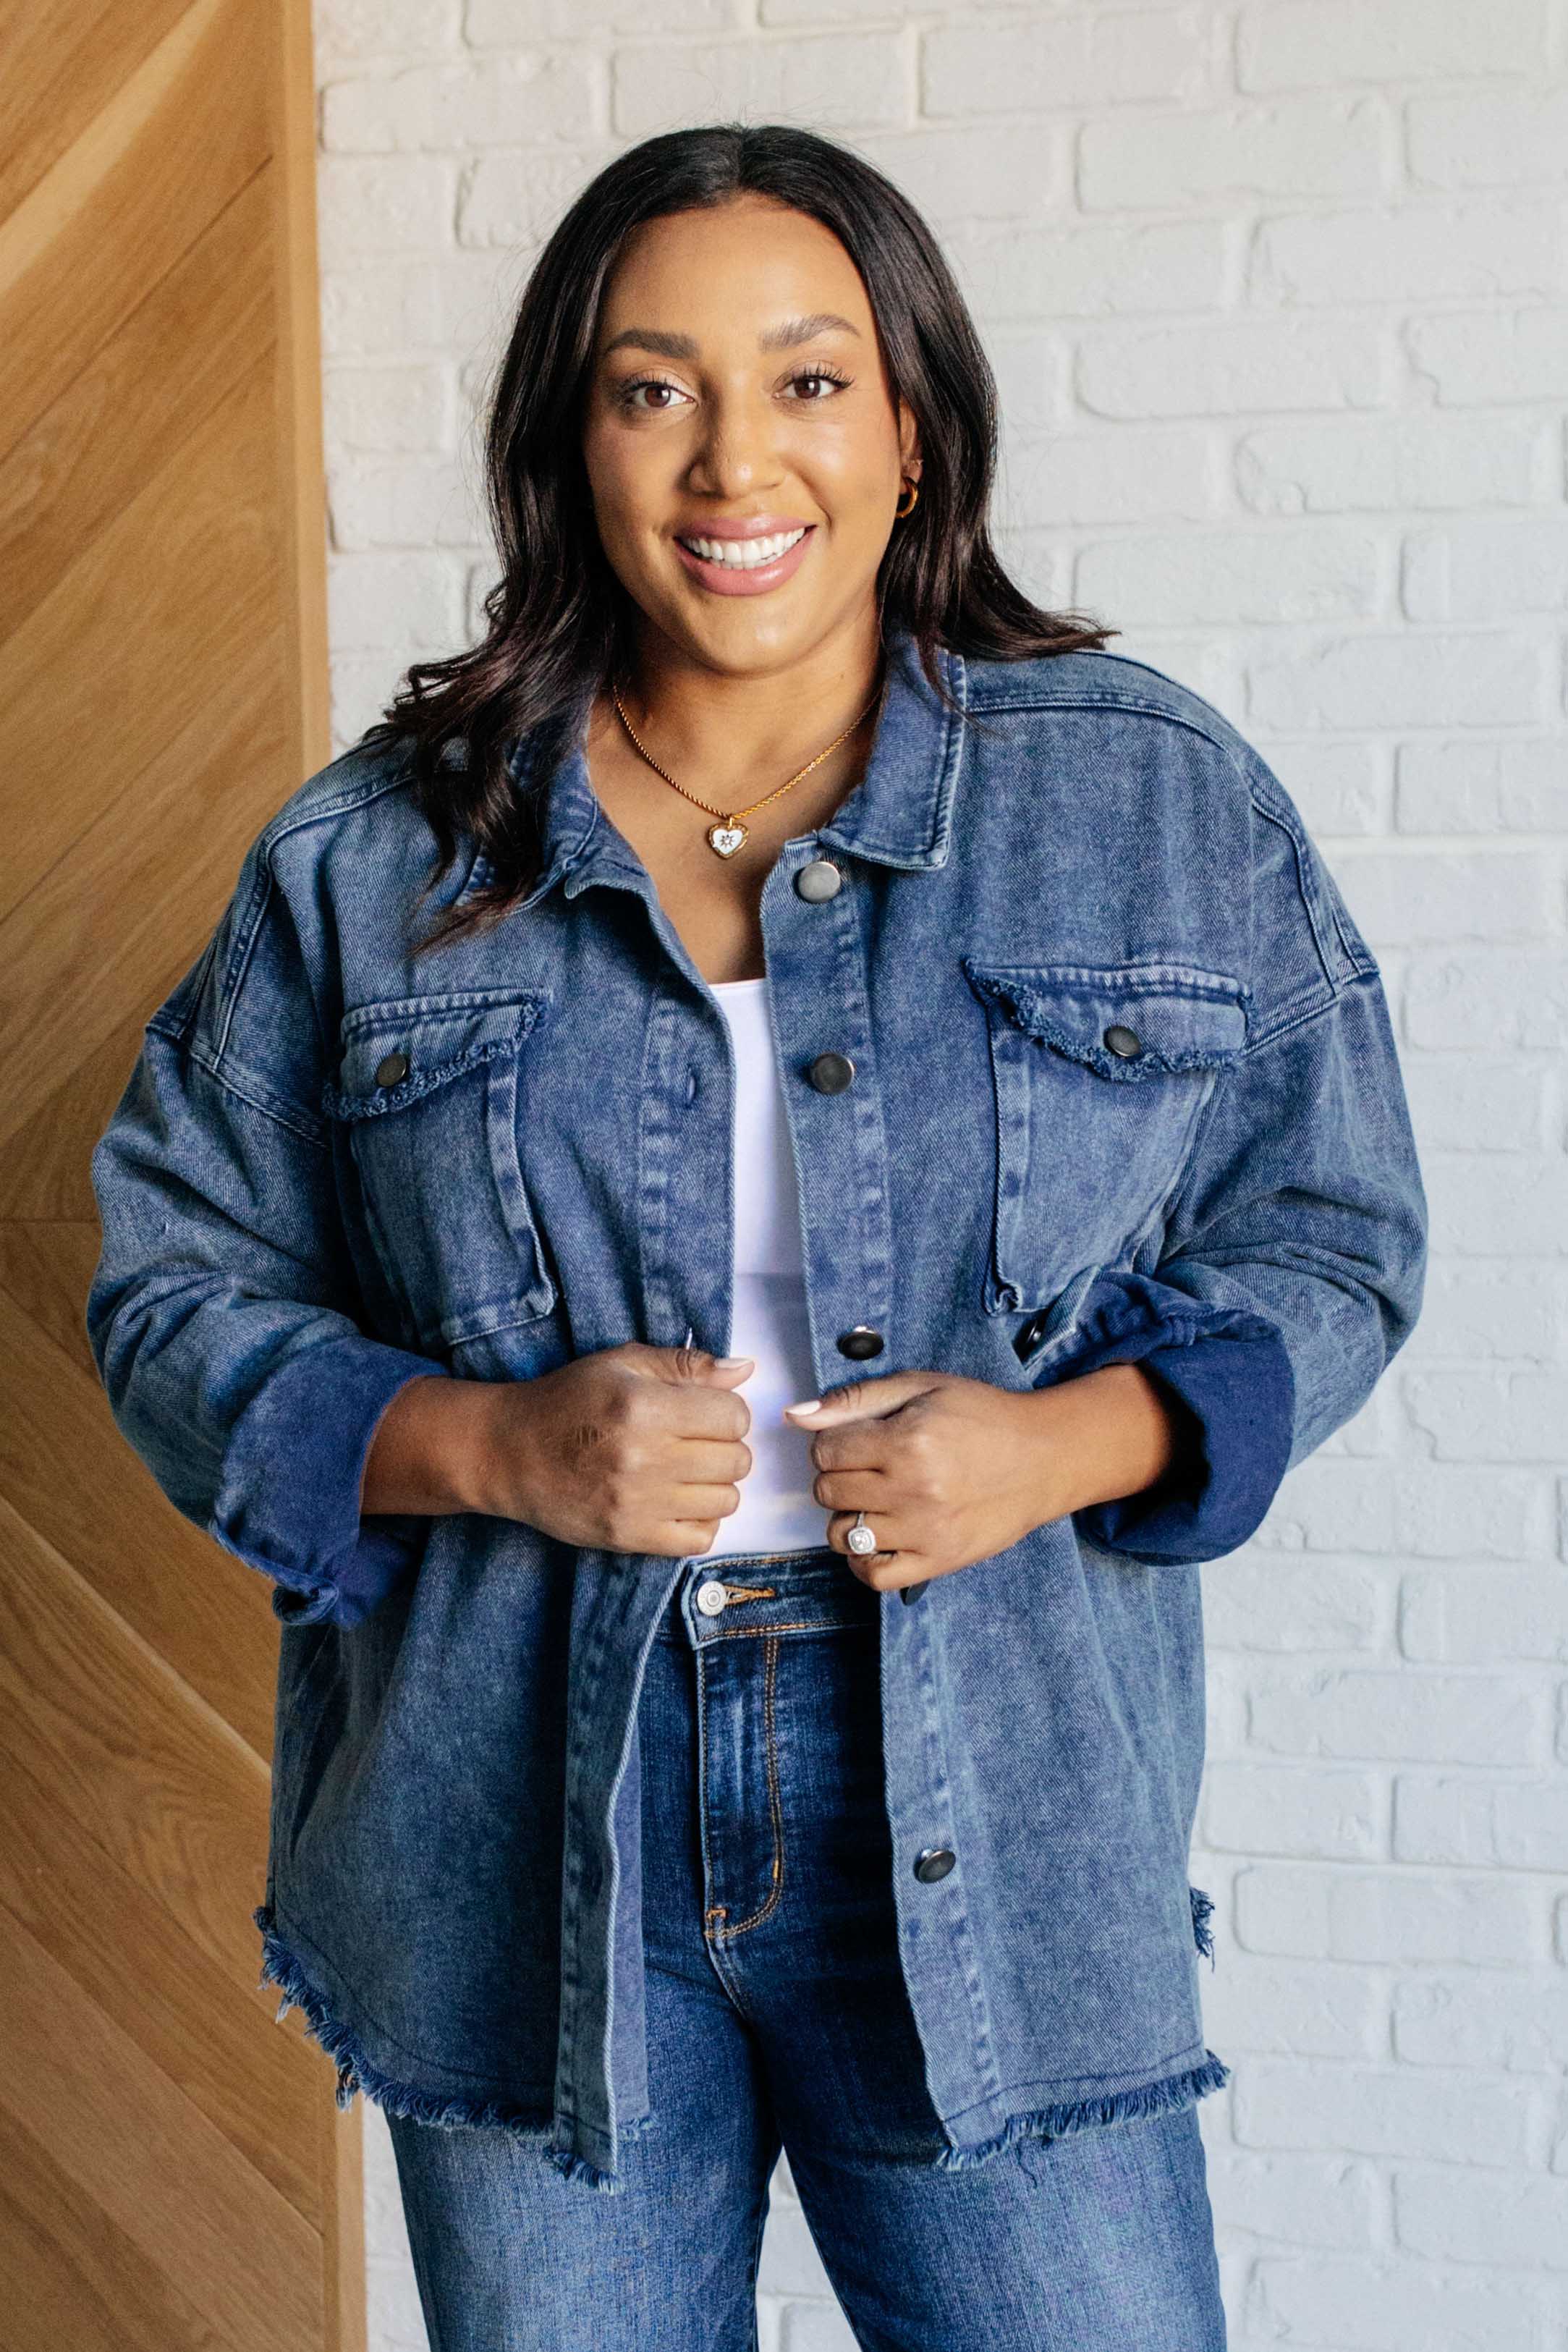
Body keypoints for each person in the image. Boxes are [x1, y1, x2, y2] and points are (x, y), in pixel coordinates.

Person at [85, 122, 1427, 2352]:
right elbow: (167, 1281)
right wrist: (493, 1443)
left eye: (808, 379)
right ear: (569, 441)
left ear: (912, 427)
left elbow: (1339, 1228)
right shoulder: (373, 860)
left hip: (1000, 1790)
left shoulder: (1146, 800)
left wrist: (1054, 1445)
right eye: (651, 385)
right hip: (518, 1833)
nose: (734, 456)